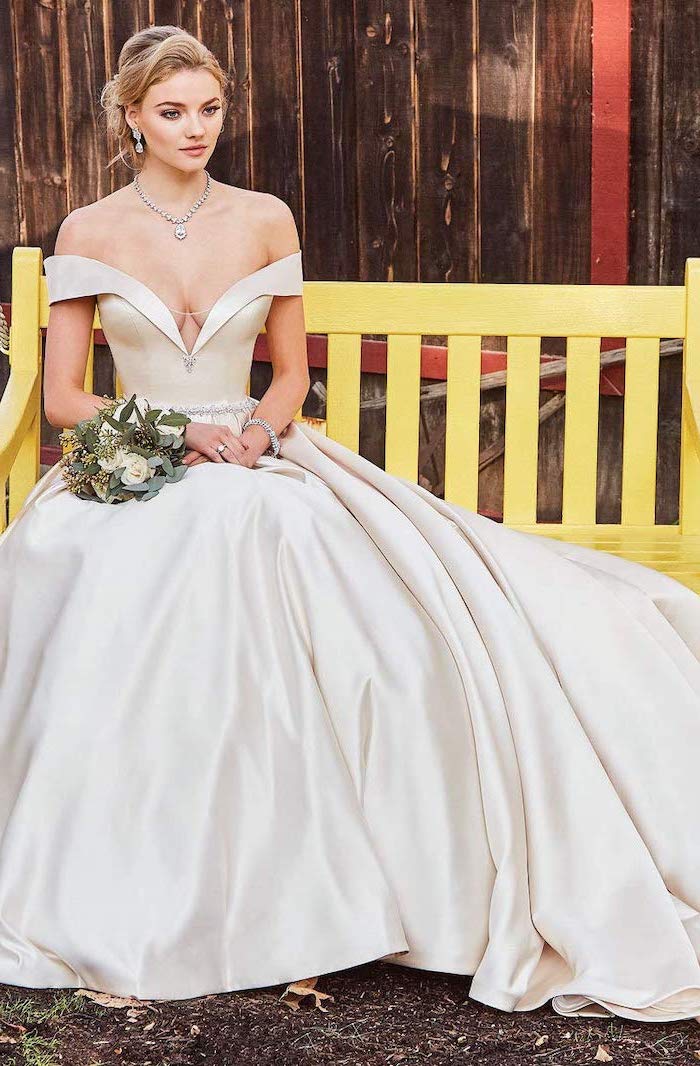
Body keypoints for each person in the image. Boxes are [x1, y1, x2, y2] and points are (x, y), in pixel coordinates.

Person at [1, 25, 699, 1025]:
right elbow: (65, 396)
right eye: (171, 111)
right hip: (145, 451)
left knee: (285, 540)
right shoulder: (89, 232)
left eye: (208, 109)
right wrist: (169, 436)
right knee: (119, 554)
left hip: (255, 451)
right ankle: (158, 873)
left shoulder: (265, 218)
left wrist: (255, 431)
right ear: (130, 119)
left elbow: (286, 373)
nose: (195, 129)